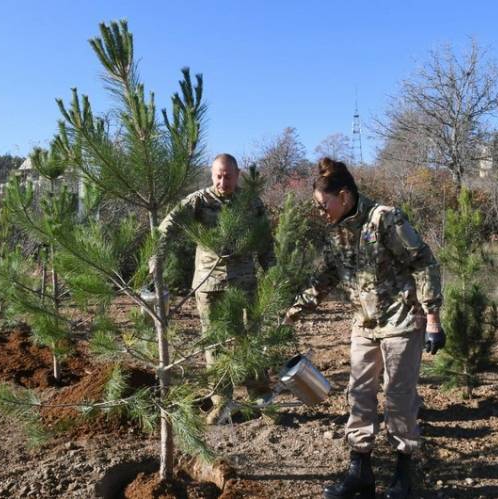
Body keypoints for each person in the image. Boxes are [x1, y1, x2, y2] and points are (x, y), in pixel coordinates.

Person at [285, 157, 445, 499]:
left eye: (322, 204)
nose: (320, 211)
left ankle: (404, 475)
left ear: (343, 196)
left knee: (399, 399)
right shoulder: (336, 232)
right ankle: (360, 472)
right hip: (364, 323)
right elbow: (324, 279)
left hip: (401, 320)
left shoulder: (385, 218)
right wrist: (292, 311)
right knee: (358, 395)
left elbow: (424, 262)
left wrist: (432, 317)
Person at [153, 153, 274, 423]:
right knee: (216, 342)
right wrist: (156, 255)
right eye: (218, 176)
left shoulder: (250, 202)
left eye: (228, 176)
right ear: (212, 175)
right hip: (210, 284)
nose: (223, 181)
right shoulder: (199, 201)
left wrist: (273, 271)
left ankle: (260, 396)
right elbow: (168, 225)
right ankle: (221, 400)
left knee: (250, 340)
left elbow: (265, 240)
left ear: (238, 174)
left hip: (245, 282)